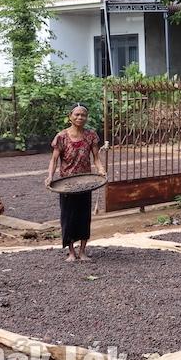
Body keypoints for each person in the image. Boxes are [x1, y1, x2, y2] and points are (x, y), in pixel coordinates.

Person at [45, 103, 105, 262]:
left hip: (86, 182)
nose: (80, 117)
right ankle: (71, 252)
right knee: (68, 217)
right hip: (67, 184)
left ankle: (83, 251)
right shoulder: (61, 137)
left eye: (83, 115)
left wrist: (101, 170)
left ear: (86, 117)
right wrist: (50, 176)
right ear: (70, 116)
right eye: (77, 114)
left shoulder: (91, 135)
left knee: (84, 216)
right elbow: (54, 160)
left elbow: (96, 158)